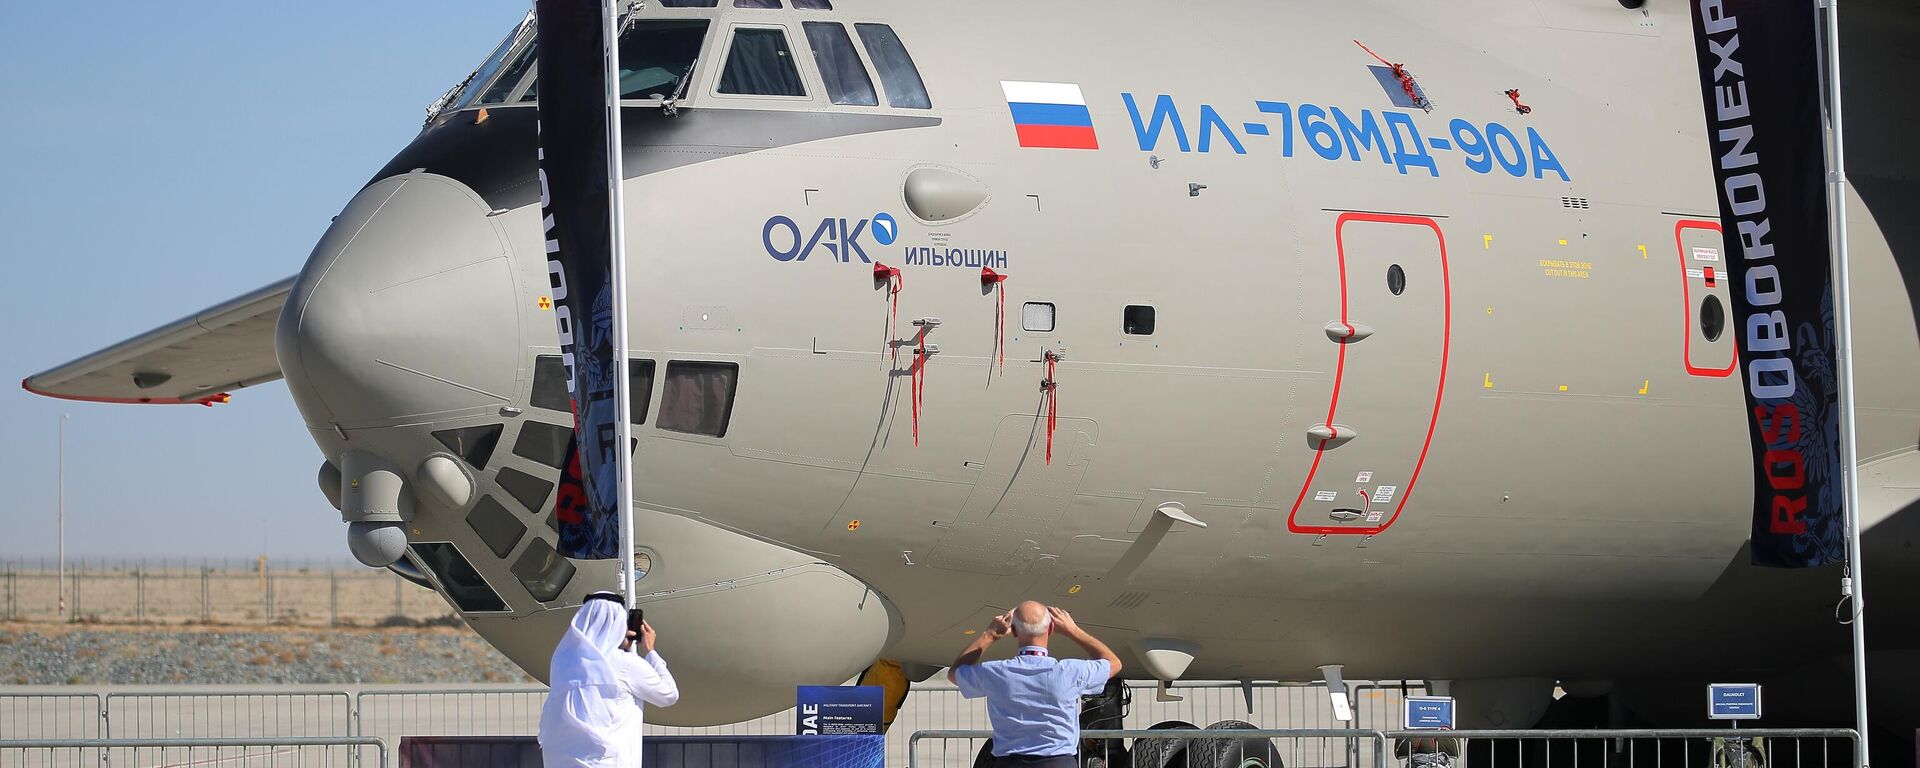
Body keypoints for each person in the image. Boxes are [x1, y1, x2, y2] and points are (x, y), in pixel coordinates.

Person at [948, 601, 1124, 768]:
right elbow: (1114, 664)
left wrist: (990, 635)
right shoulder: (1070, 671)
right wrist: (1073, 630)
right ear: (1051, 629)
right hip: (1058, 763)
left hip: (1010, 763)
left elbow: (955, 673)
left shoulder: (996, 672)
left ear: (1014, 631)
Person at [539, 594, 679, 768]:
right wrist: (651, 651)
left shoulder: (564, 662)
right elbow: (668, 695)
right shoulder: (625, 664)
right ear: (620, 623)